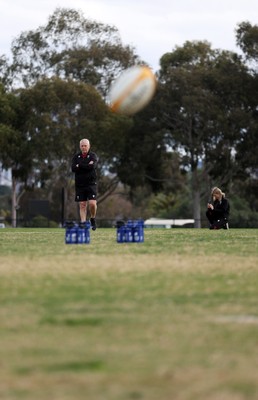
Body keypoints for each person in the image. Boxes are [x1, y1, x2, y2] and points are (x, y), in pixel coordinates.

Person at [71, 138, 97, 230]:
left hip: (91, 183)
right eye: (82, 146)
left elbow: (91, 166)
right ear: (80, 146)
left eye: (85, 145)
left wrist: (80, 165)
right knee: (82, 204)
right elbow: (73, 168)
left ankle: (92, 218)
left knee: (92, 204)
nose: (84, 147)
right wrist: (85, 165)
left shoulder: (93, 156)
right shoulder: (76, 157)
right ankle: (83, 224)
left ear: (89, 146)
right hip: (80, 184)